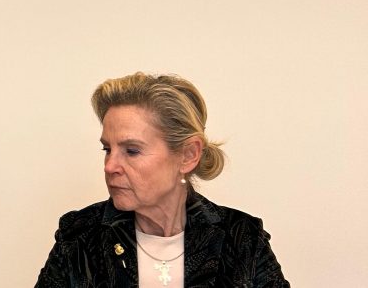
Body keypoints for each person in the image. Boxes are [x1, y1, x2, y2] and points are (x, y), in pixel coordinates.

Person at [35, 72, 289, 287]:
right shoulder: (79, 237)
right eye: (107, 149)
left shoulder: (242, 239)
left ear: (188, 155)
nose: (110, 166)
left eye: (131, 151)